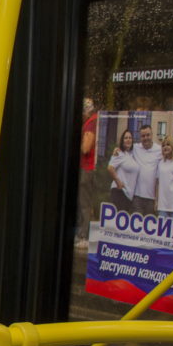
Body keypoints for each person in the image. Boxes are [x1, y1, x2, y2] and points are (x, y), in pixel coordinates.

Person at [77, 97, 99, 243]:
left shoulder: (91, 124)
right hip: (88, 168)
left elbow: (86, 147)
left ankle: (84, 235)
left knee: (84, 203)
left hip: (87, 168)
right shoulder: (93, 121)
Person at [130, 124, 161, 214]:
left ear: (152, 135)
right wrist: (117, 150)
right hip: (137, 196)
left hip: (151, 198)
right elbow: (124, 149)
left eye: (148, 135)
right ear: (140, 137)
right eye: (143, 136)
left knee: (149, 226)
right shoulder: (135, 148)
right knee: (136, 225)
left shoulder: (159, 150)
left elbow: (170, 159)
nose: (145, 138)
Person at [107, 128, 139, 213]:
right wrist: (118, 182)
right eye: (126, 138)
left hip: (128, 196)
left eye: (130, 138)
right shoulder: (119, 153)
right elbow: (110, 168)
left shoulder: (130, 154)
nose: (128, 140)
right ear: (122, 140)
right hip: (120, 193)